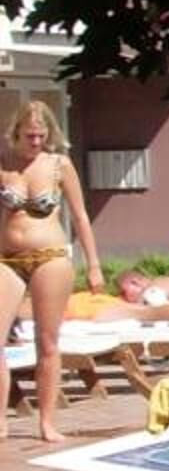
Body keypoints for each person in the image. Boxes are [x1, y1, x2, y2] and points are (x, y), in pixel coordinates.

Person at [2, 97, 104, 445]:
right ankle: (0, 420)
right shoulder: (3, 164)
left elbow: (80, 217)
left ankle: (47, 422)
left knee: (47, 342)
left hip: (51, 256)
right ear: (15, 133)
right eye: (29, 135)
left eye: (41, 135)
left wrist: (93, 265)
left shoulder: (59, 165)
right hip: (6, 258)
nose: (35, 142)